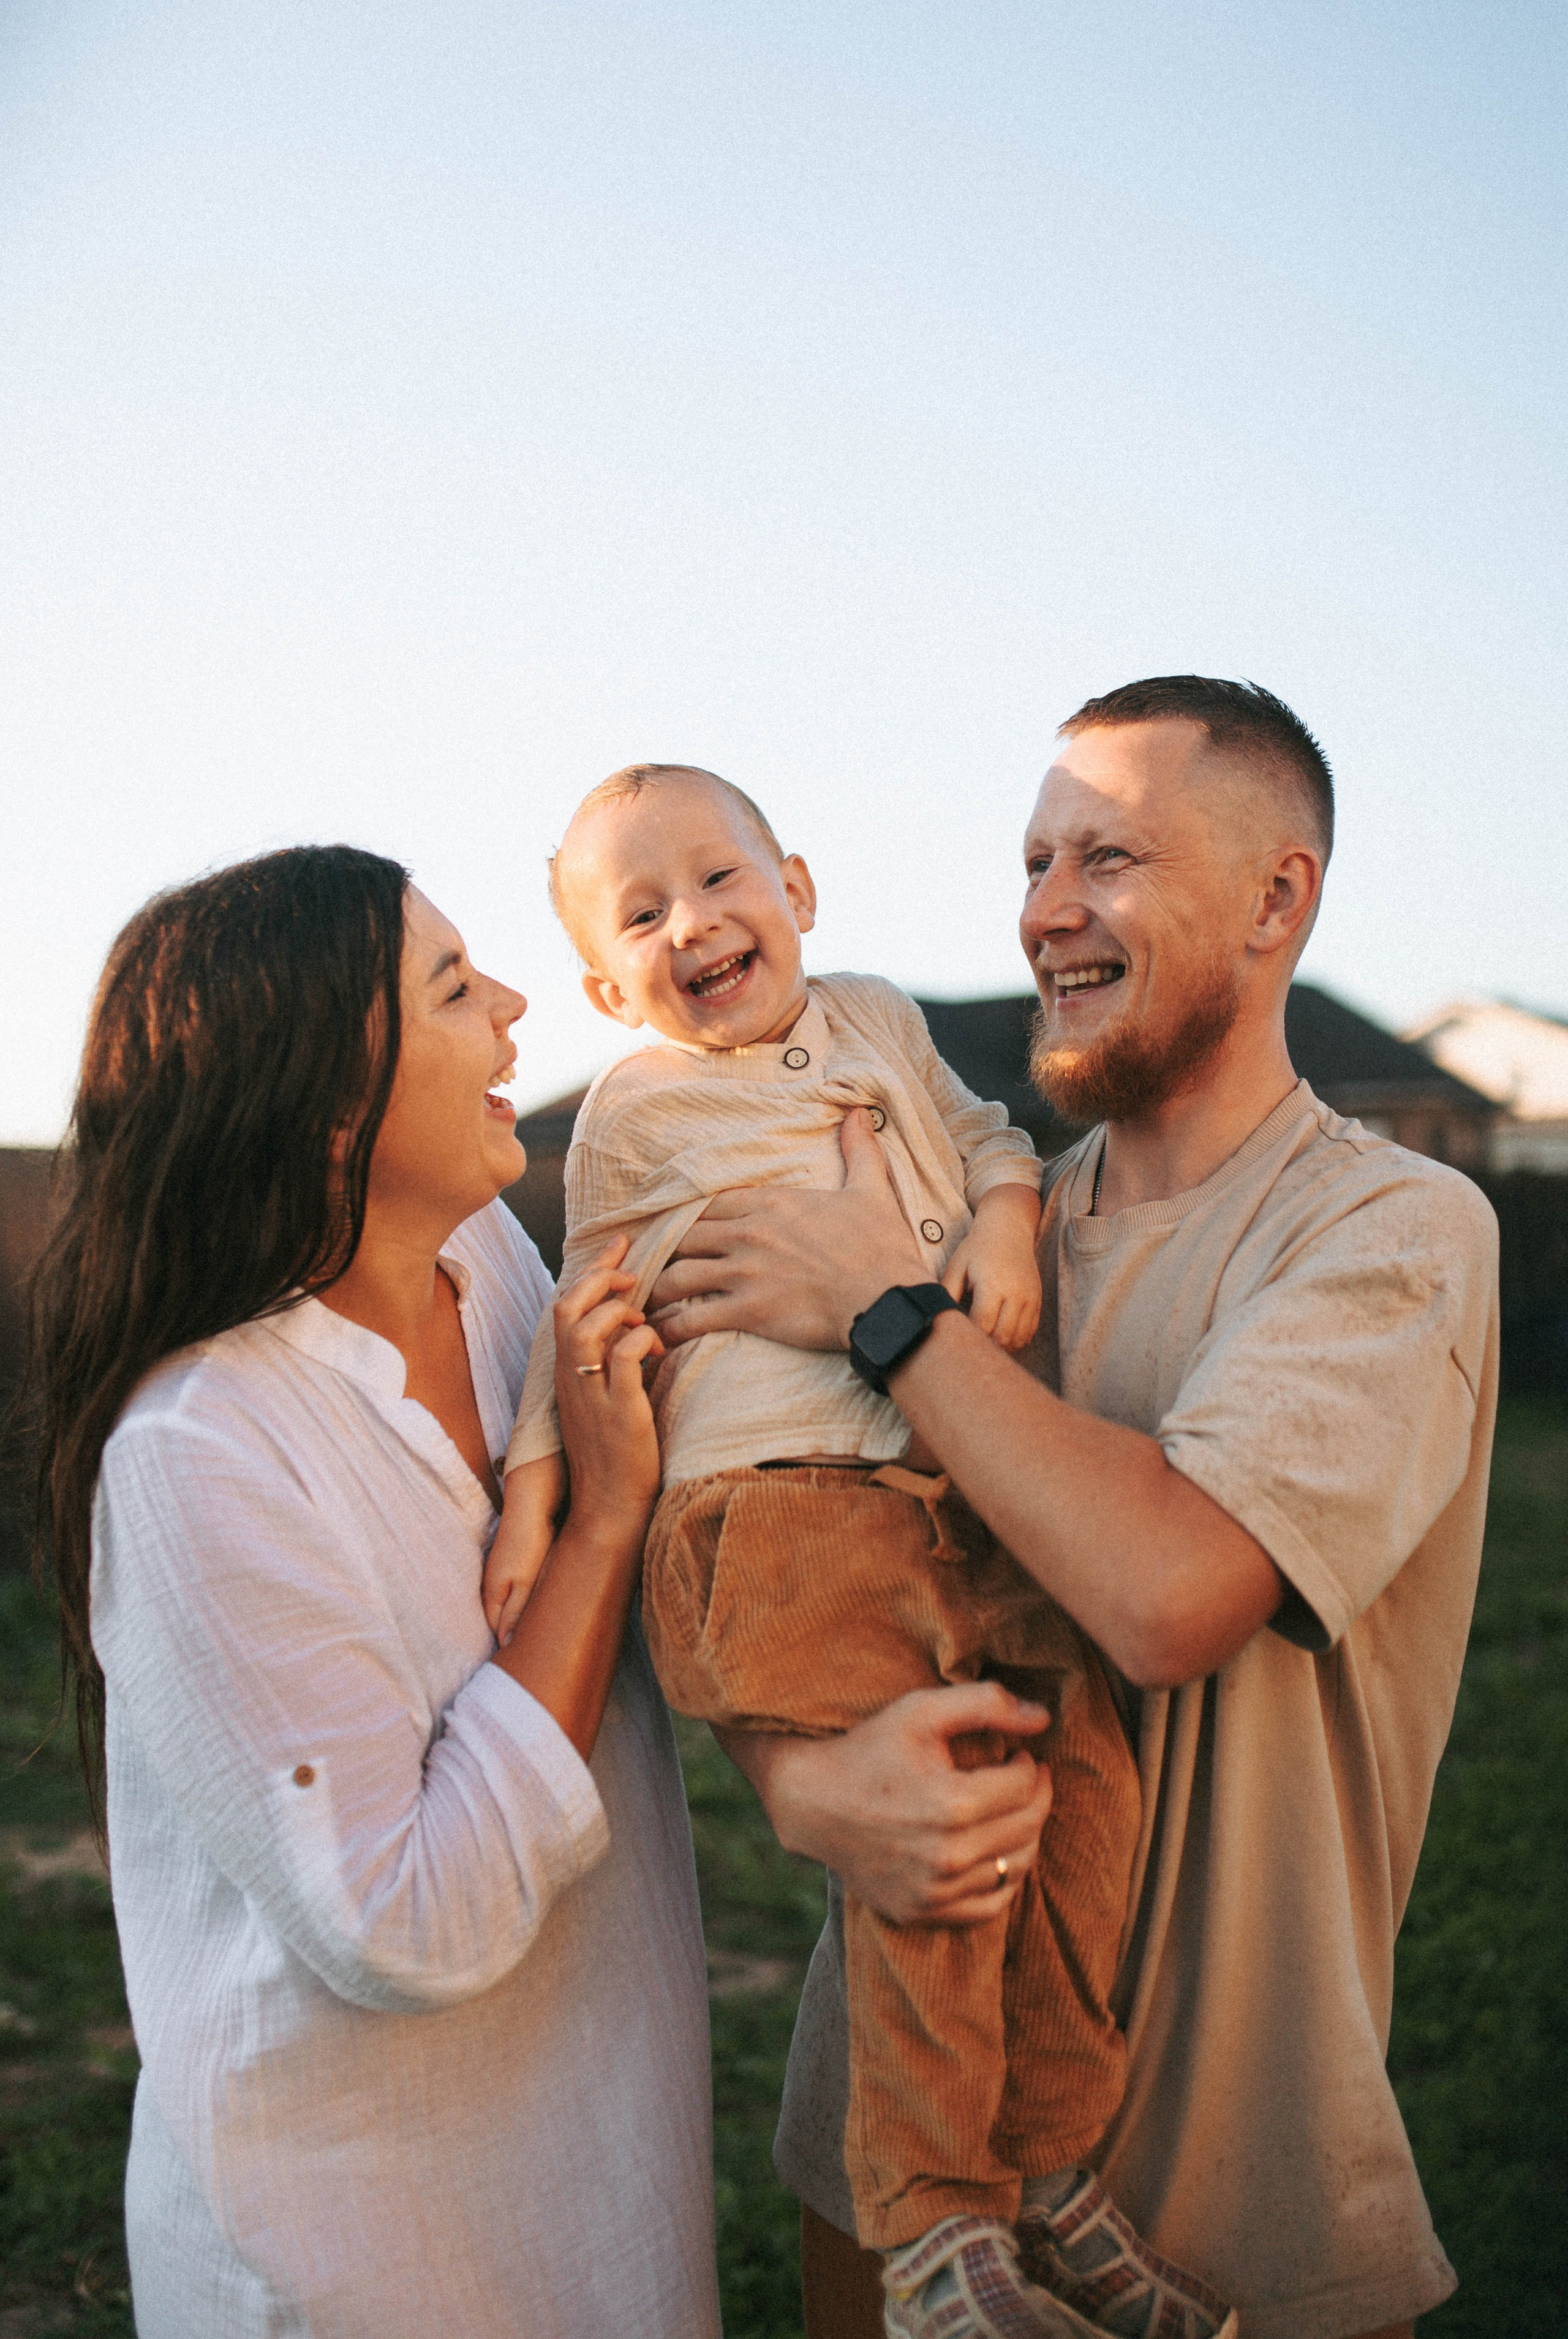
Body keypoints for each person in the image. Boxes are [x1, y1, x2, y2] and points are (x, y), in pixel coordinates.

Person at [646, 679, 1500, 2339]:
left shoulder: (1393, 1230)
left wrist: (895, 1315)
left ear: (1277, 898)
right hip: (891, 2160)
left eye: (1105, 858)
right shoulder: (952, 1212)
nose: (1045, 912)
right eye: (1035, 860)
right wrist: (800, 1779)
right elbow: (747, 1537)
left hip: (1231, 2180)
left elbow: (1169, 1590)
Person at [483, 764, 1224, 2339]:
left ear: (797, 889)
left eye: (717, 879)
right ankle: (932, 2231)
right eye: (640, 916)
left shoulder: (881, 1015)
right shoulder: (632, 1108)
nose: (692, 923)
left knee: (1084, 1774)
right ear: (610, 986)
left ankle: (1043, 2157)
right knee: (935, 1835)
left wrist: (1004, 1227)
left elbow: (988, 1137)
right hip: (769, 1513)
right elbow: (587, 1307)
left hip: (945, 1489)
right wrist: (536, 1498)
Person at [26, 845, 718, 2337]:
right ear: (331, 1102)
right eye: (456, 989)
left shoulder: (490, 1267)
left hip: (611, 2180)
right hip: (350, 2255)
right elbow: (408, 1923)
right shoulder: (198, 1450)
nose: (517, 1010)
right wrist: (598, 1525)